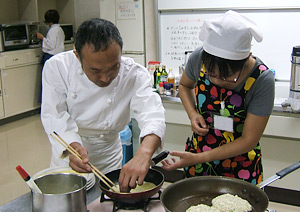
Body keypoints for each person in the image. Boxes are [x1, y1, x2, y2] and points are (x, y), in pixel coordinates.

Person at [41, 18, 166, 192]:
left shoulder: (134, 74)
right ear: (77, 56)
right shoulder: (57, 67)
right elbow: (54, 115)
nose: (105, 78)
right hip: (69, 156)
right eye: (95, 70)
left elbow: (152, 114)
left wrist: (144, 154)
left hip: (109, 156)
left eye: (114, 67)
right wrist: (73, 148)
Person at [161, 10, 275, 185]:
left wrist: (198, 159)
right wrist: (193, 114)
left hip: (240, 164)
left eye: (227, 76)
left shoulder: (262, 79)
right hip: (198, 151)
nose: (217, 81)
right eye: (211, 74)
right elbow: (184, 85)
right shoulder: (199, 57)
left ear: (246, 59)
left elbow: (249, 140)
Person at [37, 9, 65, 103]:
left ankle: (45, 102)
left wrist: (42, 38)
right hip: (58, 56)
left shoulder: (53, 30)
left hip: (50, 56)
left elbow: (50, 45)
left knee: (47, 81)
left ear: (49, 21)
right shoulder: (60, 29)